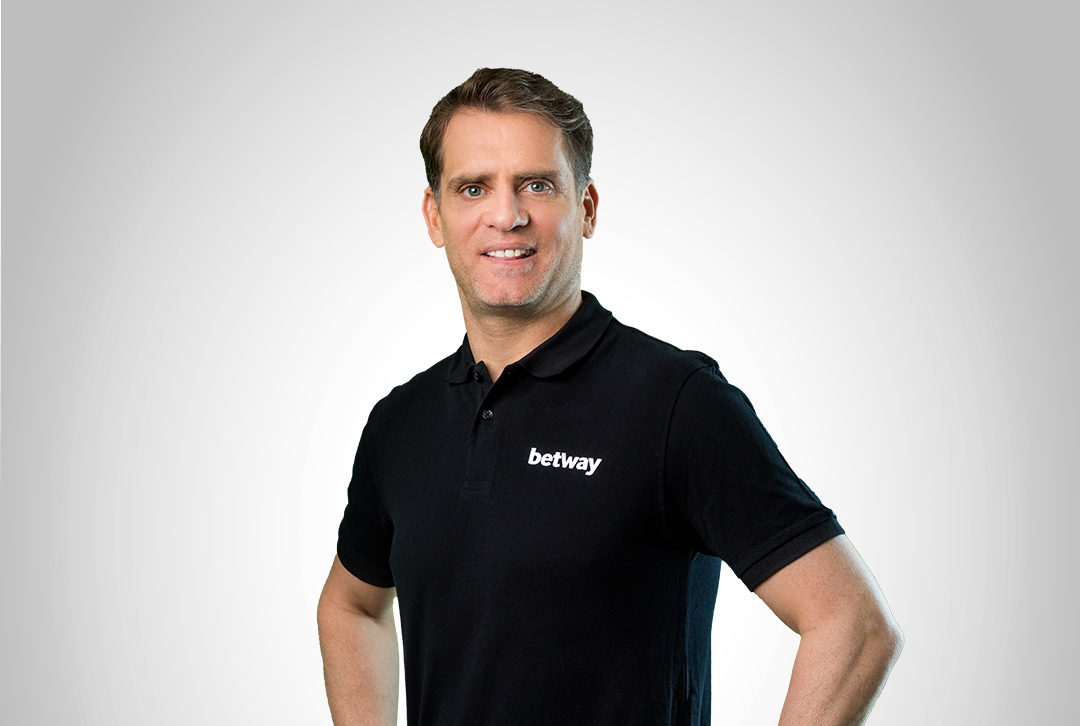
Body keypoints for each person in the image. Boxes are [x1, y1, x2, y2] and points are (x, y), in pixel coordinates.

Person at [317, 68, 902, 726]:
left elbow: (852, 625)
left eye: (537, 185)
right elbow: (351, 604)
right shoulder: (401, 424)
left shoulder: (676, 403)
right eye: (473, 188)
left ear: (587, 207)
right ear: (435, 215)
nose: (506, 215)